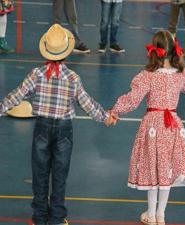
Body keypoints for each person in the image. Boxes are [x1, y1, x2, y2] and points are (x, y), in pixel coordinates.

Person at [0, 24, 115, 225]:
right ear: (66, 52)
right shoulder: (72, 78)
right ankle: (57, 219)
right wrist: (105, 117)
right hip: (64, 130)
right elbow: (87, 103)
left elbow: (16, 96)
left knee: (40, 174)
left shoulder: (36, 74)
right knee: (60, 176)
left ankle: (39, 218)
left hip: (42, 129)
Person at [111, 30, 185, 224]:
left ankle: (151, 214)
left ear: (155, 50)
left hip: (153, 126)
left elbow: (133, 99)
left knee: (153, 168)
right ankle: (161, 215)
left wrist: (115, 111)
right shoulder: (180, 74)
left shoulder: (148, 75)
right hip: (172, 127)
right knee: (165, 170)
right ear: (174, 49)